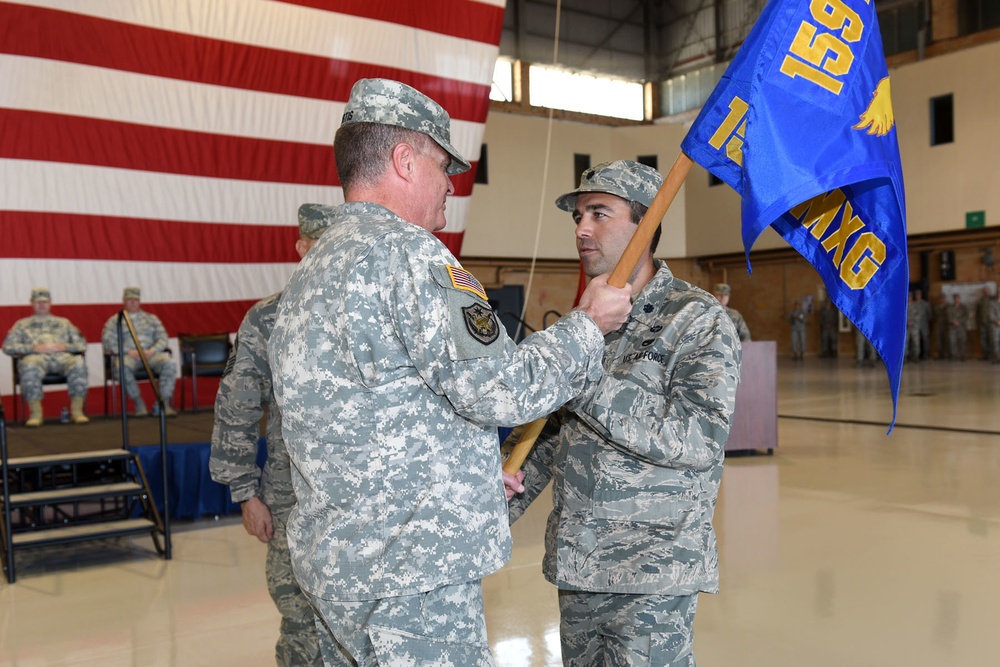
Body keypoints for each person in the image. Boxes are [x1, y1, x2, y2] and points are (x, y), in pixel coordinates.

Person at [266, 78, 632, 666]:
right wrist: (588, 324)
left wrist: (467, 476)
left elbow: (373, 416)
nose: (450, 183)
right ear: (404, 161)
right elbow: (502, 389)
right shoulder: (413, 256)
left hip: (338, 566)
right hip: (413, 576)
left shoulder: (315, 269)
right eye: (443, 165)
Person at [507, 160, 742, 666]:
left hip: (652, 571)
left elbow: (698, 439)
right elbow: (550, 434)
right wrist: (493, 500)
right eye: (577, 217)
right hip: (579, 563)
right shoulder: (586, 320)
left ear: (646, 225)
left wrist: (584, 377)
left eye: (599, 213)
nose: (582, 229)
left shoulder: (695, 319)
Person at [210, 203, 337, 667]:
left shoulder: (372, 311)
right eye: (317, 244)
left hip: (365, 500)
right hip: (291, 496)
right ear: (301, 247)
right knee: (299, 614)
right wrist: (246, 492)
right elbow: (239, 406)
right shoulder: (268, 318)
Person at [2, 288, 90, 427]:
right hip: (36, 358)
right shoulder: (22, 325)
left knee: (78, 364)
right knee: (29, 366)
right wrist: (34, 348)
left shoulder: (64, 323)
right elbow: (7, 347)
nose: (42, 305)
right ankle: (35, 414)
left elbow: (82, 344)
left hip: (62, 357)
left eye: (45, 302)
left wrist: (64, 347)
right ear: (31, 303)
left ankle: (77, 412)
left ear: (50, 303)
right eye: (38, 302)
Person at [101, 287, 178, 417]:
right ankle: (139, 404)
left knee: (169, 363)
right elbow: (108, 341)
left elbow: (163, 338)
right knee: (122, 367)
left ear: (139, 301)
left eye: (135, 300)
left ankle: (163, 403)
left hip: (150, 355)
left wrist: (152, 350)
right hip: (128, 356)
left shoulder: (151, 319)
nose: (132, 302)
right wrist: (127, 351)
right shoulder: (115, 321)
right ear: (124, 301)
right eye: (129, 300)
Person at [946, 294, 969, 361]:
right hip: (952, 327)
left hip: (961, 327)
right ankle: (953, 356)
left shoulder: (963, 307)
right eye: (955, 298)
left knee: (962, 342)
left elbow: (966, 316)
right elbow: (948, 316)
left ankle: (963, 356)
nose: (956, 299)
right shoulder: (950, 307)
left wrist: (959, 322)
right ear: (953, 299)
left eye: (958, 298)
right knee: (952, 342)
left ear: (959, 299)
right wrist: (953, 321)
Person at [913, 290, 932, 360]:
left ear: (921, 295)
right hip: (915, 325)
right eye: (916, 295)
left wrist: (927, 321)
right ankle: (915, 355)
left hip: (924, 324)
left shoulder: (926, 304)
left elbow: (929, 315)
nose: (918, 296)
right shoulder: (913, 304)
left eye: (919, 295)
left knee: (925, 339)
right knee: (916, 340)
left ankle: (925, 354)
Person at [976, 286, 993, 361]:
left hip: (991, 323)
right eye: (984, 291)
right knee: (983, 339)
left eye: (987, 291)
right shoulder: (980, 301)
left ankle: (993, 355)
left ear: (989, 291)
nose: (986, 292)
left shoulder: (993, 299)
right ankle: (985, 355)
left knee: (992, 339)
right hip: (982, 322)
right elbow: (977, 312)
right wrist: (977, 323)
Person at [904, 292, 921, 362]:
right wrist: (906, 322)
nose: (909, 298)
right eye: (908, 296)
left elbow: (918, 316)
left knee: (915, 342)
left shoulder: (916, 306)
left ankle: (916, 356)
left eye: (910, 297)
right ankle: (905, 357)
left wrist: (912, 322)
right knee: (906, 342)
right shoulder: (903, 305)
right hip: (905, 327)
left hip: (914, 327)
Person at [933, 294, 950, 360]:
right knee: (939, 341)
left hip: (946, 325)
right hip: (939, 325)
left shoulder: (948, 306)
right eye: (940, 299)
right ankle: (940, 354)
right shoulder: (936, 307)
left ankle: (947, 354)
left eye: (943, 299)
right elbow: (934, 316)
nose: (942, 300)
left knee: (947, 340)